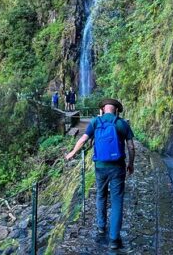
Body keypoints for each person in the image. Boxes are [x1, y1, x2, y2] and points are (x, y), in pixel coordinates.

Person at [65, 98, 135, 250]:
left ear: (102, 109)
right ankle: (114, 239)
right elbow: (131, 146)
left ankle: (101, 226)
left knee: (101, 195)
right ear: (116, 110)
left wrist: (72, 153)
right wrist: (131, 164)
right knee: (117, 201)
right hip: (118, 168)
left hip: (100, 167)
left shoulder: (96, 122)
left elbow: (83, 139)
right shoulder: (122, 124)